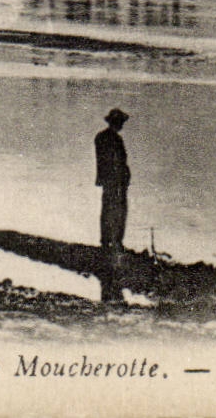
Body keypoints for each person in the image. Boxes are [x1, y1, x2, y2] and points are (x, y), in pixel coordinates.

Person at [94, 108, 130, 302]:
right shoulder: (114, 140)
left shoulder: (101, 137)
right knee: (118, 210)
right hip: (116, 180)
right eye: (121, 122)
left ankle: (107, 240)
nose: (122, 125)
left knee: (107, 209)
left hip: (109, 180)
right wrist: (121, 178)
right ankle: (115, 241)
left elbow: (102, 162)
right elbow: (116, 161)